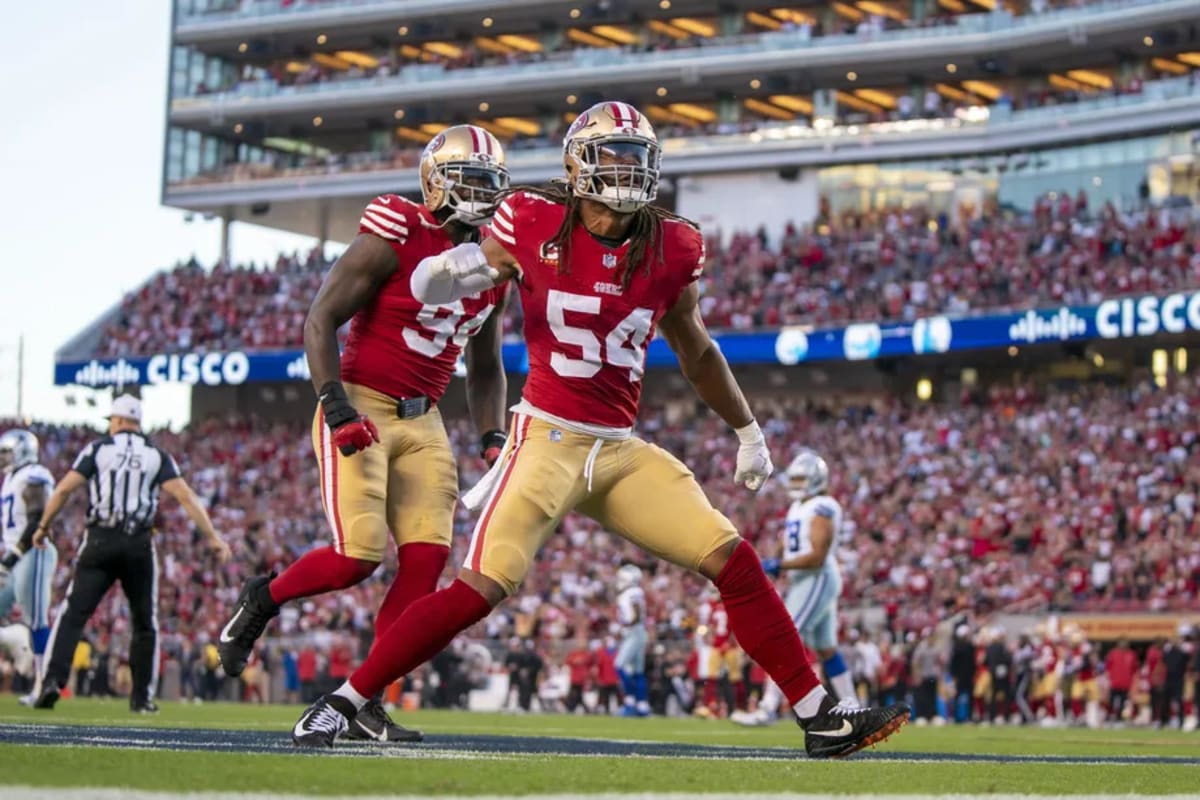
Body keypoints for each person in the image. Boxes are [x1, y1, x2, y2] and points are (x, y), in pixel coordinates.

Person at [291, 101, 908, 757]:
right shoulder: (529, 218)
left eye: (636, 158)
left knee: (734, 560)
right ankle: (343, 702)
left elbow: (697, 350)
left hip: (617, 450)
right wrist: (454, 269)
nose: (626, 170)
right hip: (544, 442)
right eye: (612, 155)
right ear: (576, 164)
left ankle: (820, 719)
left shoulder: (673, 245)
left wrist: (746, 428)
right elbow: (461, 274)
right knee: (479, 589)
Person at [217, 125, 510, 743]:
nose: (480, 196)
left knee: (426, 564)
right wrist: (337, 407)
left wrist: (490, 433)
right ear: (435, 182)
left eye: (489, 184)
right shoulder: (398, 229)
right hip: (362, 401)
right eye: (469, 181)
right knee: (359, 556)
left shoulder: (493, 265)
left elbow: (486, 364)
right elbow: (320, 317)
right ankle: (264, 596)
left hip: (425, 416)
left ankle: (364, 700)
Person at [32, 394, 231, 712]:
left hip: (100, 539)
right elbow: (185, 496)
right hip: (138, 543)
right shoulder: (156, 454)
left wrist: (43, 526)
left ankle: (53, 681)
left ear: (121, 420)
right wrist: (213, 537)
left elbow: (64, 488)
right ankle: (141, 697)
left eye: (112, 420)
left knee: (73, 614)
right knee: (144, 622)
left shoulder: (98, 449)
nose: (110, 425)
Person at [733, 450, 858, 727]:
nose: (798, 484)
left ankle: (767, 707)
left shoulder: (823, 505)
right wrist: (773, 559)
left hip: (816, 576)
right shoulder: (798, 506)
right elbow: (788, 543)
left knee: (782, 638)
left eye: (803, 478)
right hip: (805, 578)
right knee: (826, 647)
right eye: (796, 478)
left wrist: (780, 565)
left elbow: (816, 556)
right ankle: (852, 704)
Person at [0, 429, 57, 704]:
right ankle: (15, 639)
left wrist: (15, 553)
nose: (2, 458)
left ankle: (42, 685)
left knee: (37, 620)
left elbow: (39, 518)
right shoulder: (10, 478)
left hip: (33, 551)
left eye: (6, 452)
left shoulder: (33, 474)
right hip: (13, 555)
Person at [614, 563, 650, 717]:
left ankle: (630, 701)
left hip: (634, 632)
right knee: (637, 671)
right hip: (637, 631)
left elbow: (636, 609)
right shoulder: (632, 592)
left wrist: (629, 623)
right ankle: (642, 705)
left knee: (619, 665)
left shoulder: (632, 591)